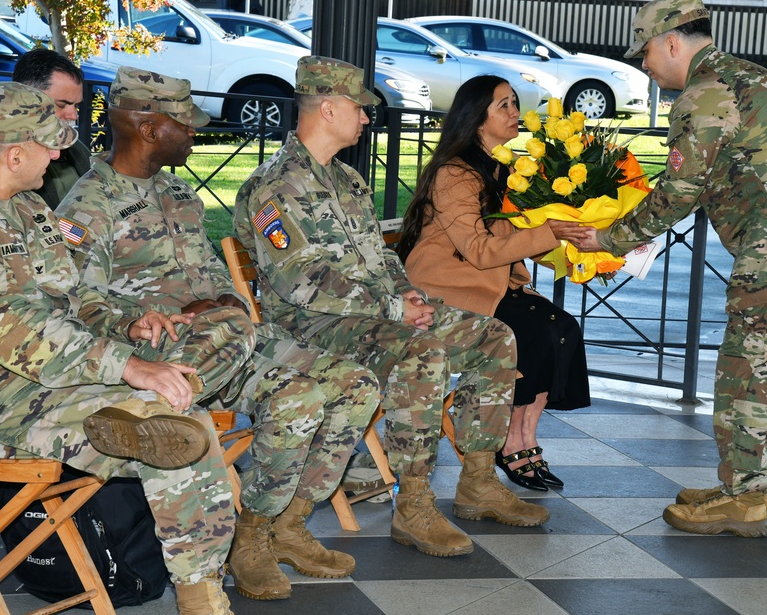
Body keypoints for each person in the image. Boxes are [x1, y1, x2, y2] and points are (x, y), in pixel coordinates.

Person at [0, 81, 256, 614]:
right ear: (15, 152)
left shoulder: (26, 208)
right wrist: (127, 366)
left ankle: (165, 400)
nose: (58, 152)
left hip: (69, 370)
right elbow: (11, 331)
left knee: (214, 347)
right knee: (179, 429)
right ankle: (201, 596)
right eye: (48, 143)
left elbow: (74, 295)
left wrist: (133, 322)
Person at [56, 66, 380, 602]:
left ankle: (276, 526)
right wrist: (147, 315)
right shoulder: (88, 207)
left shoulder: (181, 195)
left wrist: (225, 299)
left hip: (228, 339)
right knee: (295, 395)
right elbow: (78, 304)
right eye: (185, 124)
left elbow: (210, 277)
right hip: (161, 353)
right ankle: (239, 528)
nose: (196, 133)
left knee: (355, 383)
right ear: (148, 127)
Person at [553, 0, 767, 537]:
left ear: (672, 42)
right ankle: (746, 488)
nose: (644, 67)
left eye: (644, 53)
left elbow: (678, 191)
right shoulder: (749, 77)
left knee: (750, 373)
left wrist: (609, 237)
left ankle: (742, 502)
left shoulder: (704, 94)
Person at [235, 56, 550, 560]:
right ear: (330, 109)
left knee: (493, 336)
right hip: (311, 327)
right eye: (360, 109)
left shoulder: (347, 181)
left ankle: (477, 481)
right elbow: (301, 283)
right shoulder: (275, 187)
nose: (366, 119)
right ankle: (415, 504)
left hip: (373, 315)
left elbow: (382, 254)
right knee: (420, 353)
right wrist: (392, 308)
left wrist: (409, 295)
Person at [398, 75, 590, 492]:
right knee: (533, 332)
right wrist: (550, 232)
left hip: (493, 283)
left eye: (514, 103)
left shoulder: (502, 168)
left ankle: (526, 437)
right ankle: (506, 442)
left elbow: (513, 236)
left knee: (562, 328)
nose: (515, 113)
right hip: (450, 286)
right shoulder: (455, 173)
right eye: (503, 105)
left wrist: (585, 245)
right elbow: (478, 250)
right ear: (476, 117)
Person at [12, 48, 93, 209]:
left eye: (76, 105)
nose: (73, 115)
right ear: (25, 98)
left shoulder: (76, 150)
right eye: (61, 104)